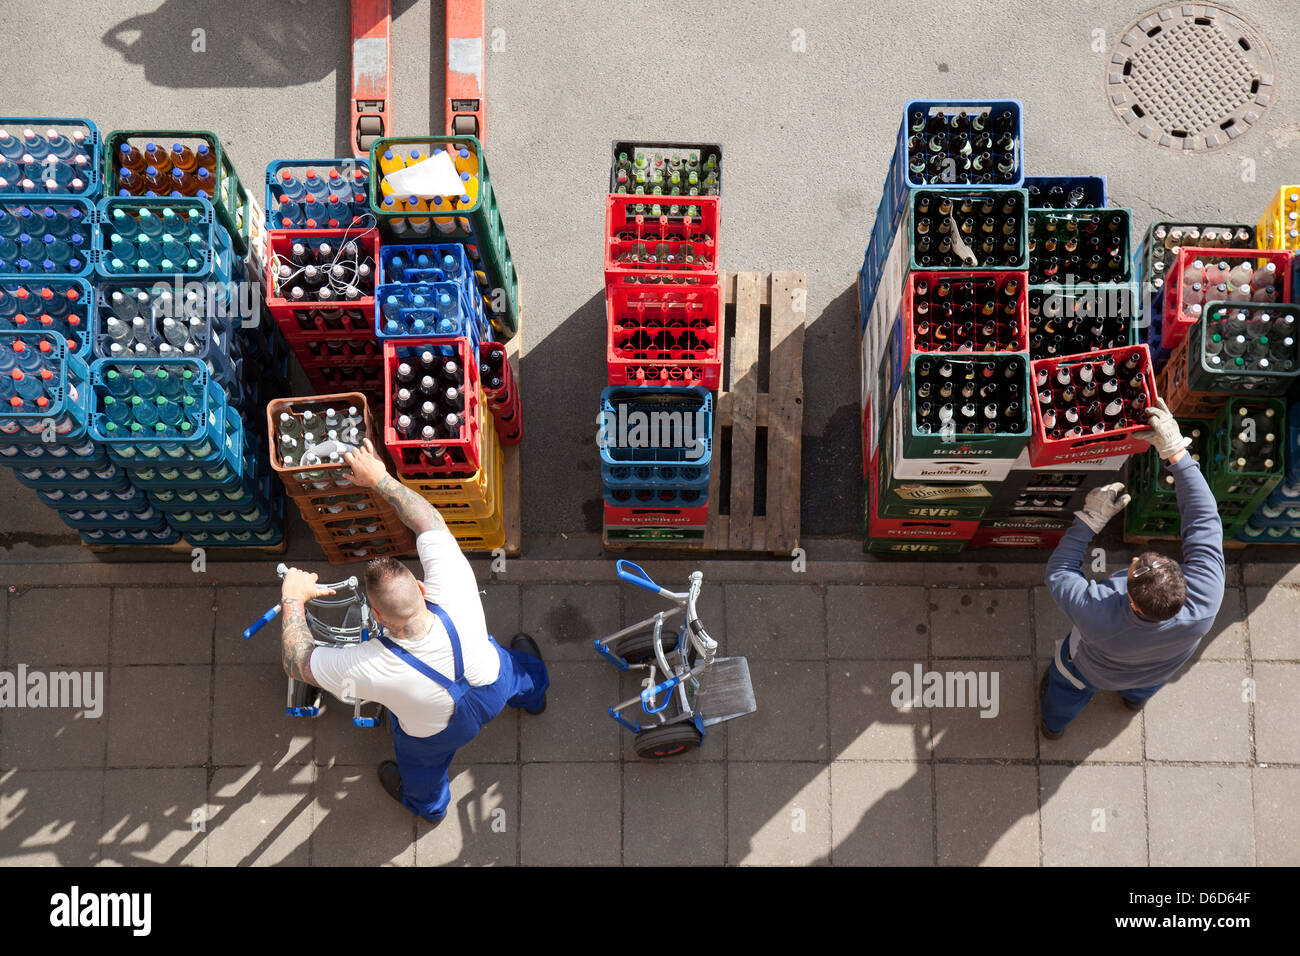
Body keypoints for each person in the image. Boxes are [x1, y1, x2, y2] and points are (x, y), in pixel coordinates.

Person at [278, 439, 548, 823]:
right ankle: (535, 698)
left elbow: (296, 662)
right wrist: (380, 479)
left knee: (421, 768)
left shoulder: (367, 664)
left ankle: (429, 807)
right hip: (494, 684)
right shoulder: (451, 580)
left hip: (436, 733)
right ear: (421, 588)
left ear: (376, 614)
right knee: (520, 670)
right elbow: (428, 521)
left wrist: (293, 598)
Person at [1040, 399, 1225, 739]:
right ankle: (1133, 702)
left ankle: (1053, 726)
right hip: (1159, 669)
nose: (1136, 559)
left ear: (1134, 602)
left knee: (1066, 689)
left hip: (1090, 672)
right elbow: (1203, 521)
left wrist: (1089, 520)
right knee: (1145, 685)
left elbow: (1060, 572)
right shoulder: (1205, 600)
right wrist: (1176, 454)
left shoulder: (1097, 612)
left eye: (1135, 568)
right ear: (1181, 584)